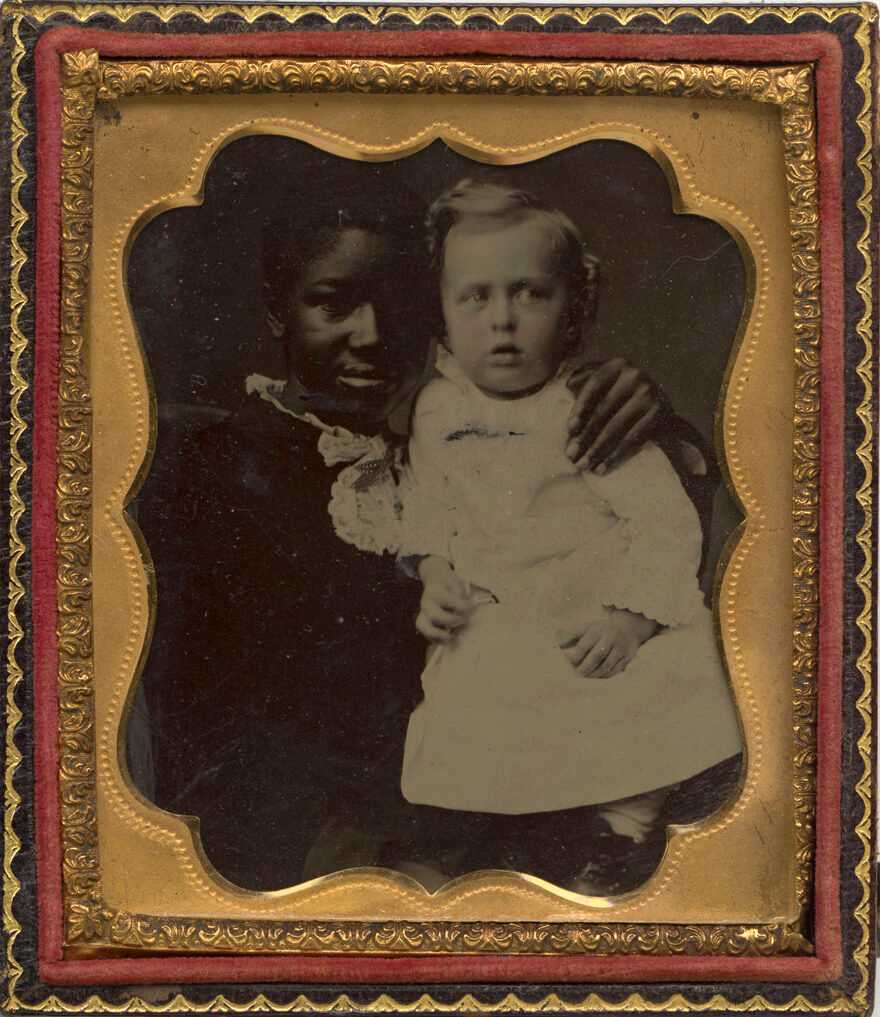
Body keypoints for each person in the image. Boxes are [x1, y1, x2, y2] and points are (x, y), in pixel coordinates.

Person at [132, 165, 703, 892]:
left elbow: (621, 513)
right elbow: (210, 725)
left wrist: (643, 419)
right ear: (278, 311)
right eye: (332, 304)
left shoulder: (484, 427)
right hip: (326, 837)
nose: (371, 334)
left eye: (399, 299)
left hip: (528, 793)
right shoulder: (218, 470)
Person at [354, 179, 743, 895]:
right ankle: (474, 833)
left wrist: (630, 614)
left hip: (588, 609)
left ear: (573, 310)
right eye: (476, 297)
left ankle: (622, 822)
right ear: (441, 310)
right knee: (478, 693)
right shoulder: (436, 409)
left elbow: (663, 520)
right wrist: (436, 573)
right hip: (500, 612)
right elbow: (432, 508)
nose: (503, 321)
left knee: (642, 695)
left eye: (530, 294)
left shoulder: (586, 409)